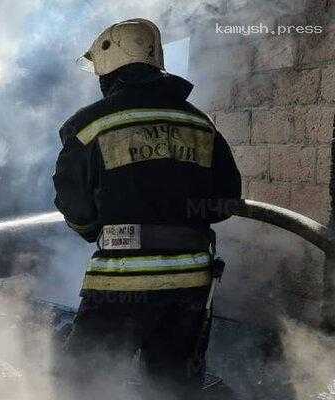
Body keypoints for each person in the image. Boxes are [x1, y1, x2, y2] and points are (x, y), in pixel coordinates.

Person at [52, 18, 242, 399]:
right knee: (172, 386)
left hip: (120, 284)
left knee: (81, 382)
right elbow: (226, 200)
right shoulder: (199, 123)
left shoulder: (89, 125)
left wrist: (94, 228)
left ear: (108, 64)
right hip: (190, 283)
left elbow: (74, 205)